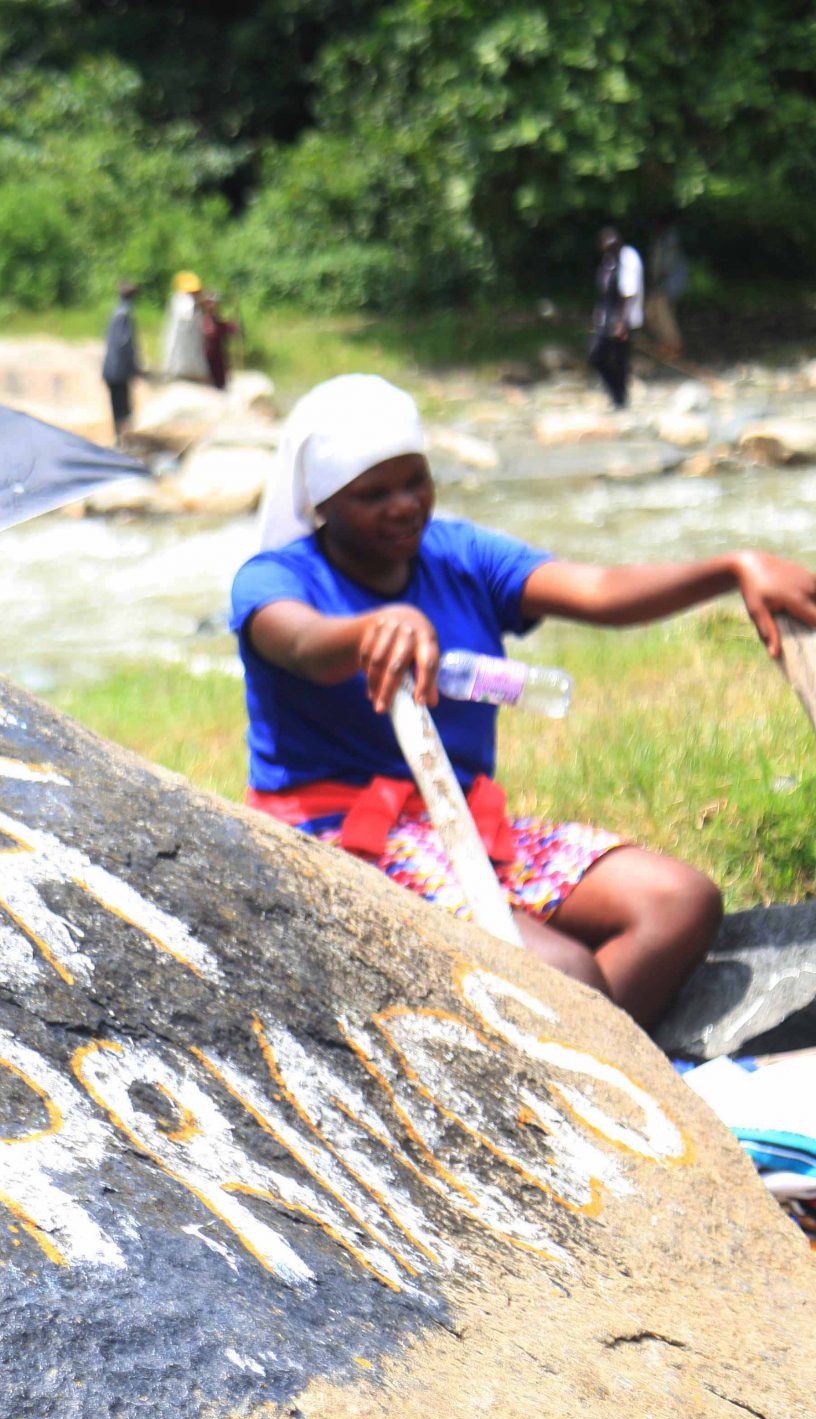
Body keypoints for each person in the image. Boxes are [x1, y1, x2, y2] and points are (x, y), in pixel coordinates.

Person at [229, 374, 816, 1025]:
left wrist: (732, 568)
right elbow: (302, 641)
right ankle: (573, 1086)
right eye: (373, 494)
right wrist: (371, 629)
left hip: (460, 823)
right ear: (323, 504)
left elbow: (598, 588)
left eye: (415, 481)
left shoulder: (458, 554)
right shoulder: (277, 579)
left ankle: (581, 1084)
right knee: (565, 974)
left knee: (679, 901)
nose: (403, 506)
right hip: (337, 834)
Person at [589, 226, 644, 409]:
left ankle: (620, 399)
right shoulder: (608, 261)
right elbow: (605, 294)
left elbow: (629, 293)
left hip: (624, 319)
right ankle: (616, 394)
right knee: (597, 355)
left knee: (620, 358)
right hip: (607, 318)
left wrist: (622, 323)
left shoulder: (628, 258)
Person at [102, 281, 141, 442]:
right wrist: (134, 367)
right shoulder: (125, 314)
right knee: (122, 406)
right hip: (119, 370)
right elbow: (125, 344)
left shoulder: (116, 312)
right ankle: (122, 439)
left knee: (118, 405)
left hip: (112, 368)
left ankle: (121, 438)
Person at [648, 221, 690, 362]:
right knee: (652, 311)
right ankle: (666, 343)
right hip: (662, 282)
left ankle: (674, 345)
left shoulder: (670, 237)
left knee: (663, 310)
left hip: (671, 280)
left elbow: (668, 261)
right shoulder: (659, 239)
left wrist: (661, 275)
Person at [161, 271, 209, 383]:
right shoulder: (180, 300)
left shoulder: (194, 303)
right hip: (180, 350)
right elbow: (186, 314)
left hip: (192, 349)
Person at [199, 290, 240, 391]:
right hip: (206, 357)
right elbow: (209, 333)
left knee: (221, 383)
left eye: (214, 303)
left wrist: (231, 327)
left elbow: (230, 330)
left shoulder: (218, 320)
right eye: (209, 303)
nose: (212, 306)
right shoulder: (203, 319)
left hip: (219, 357)